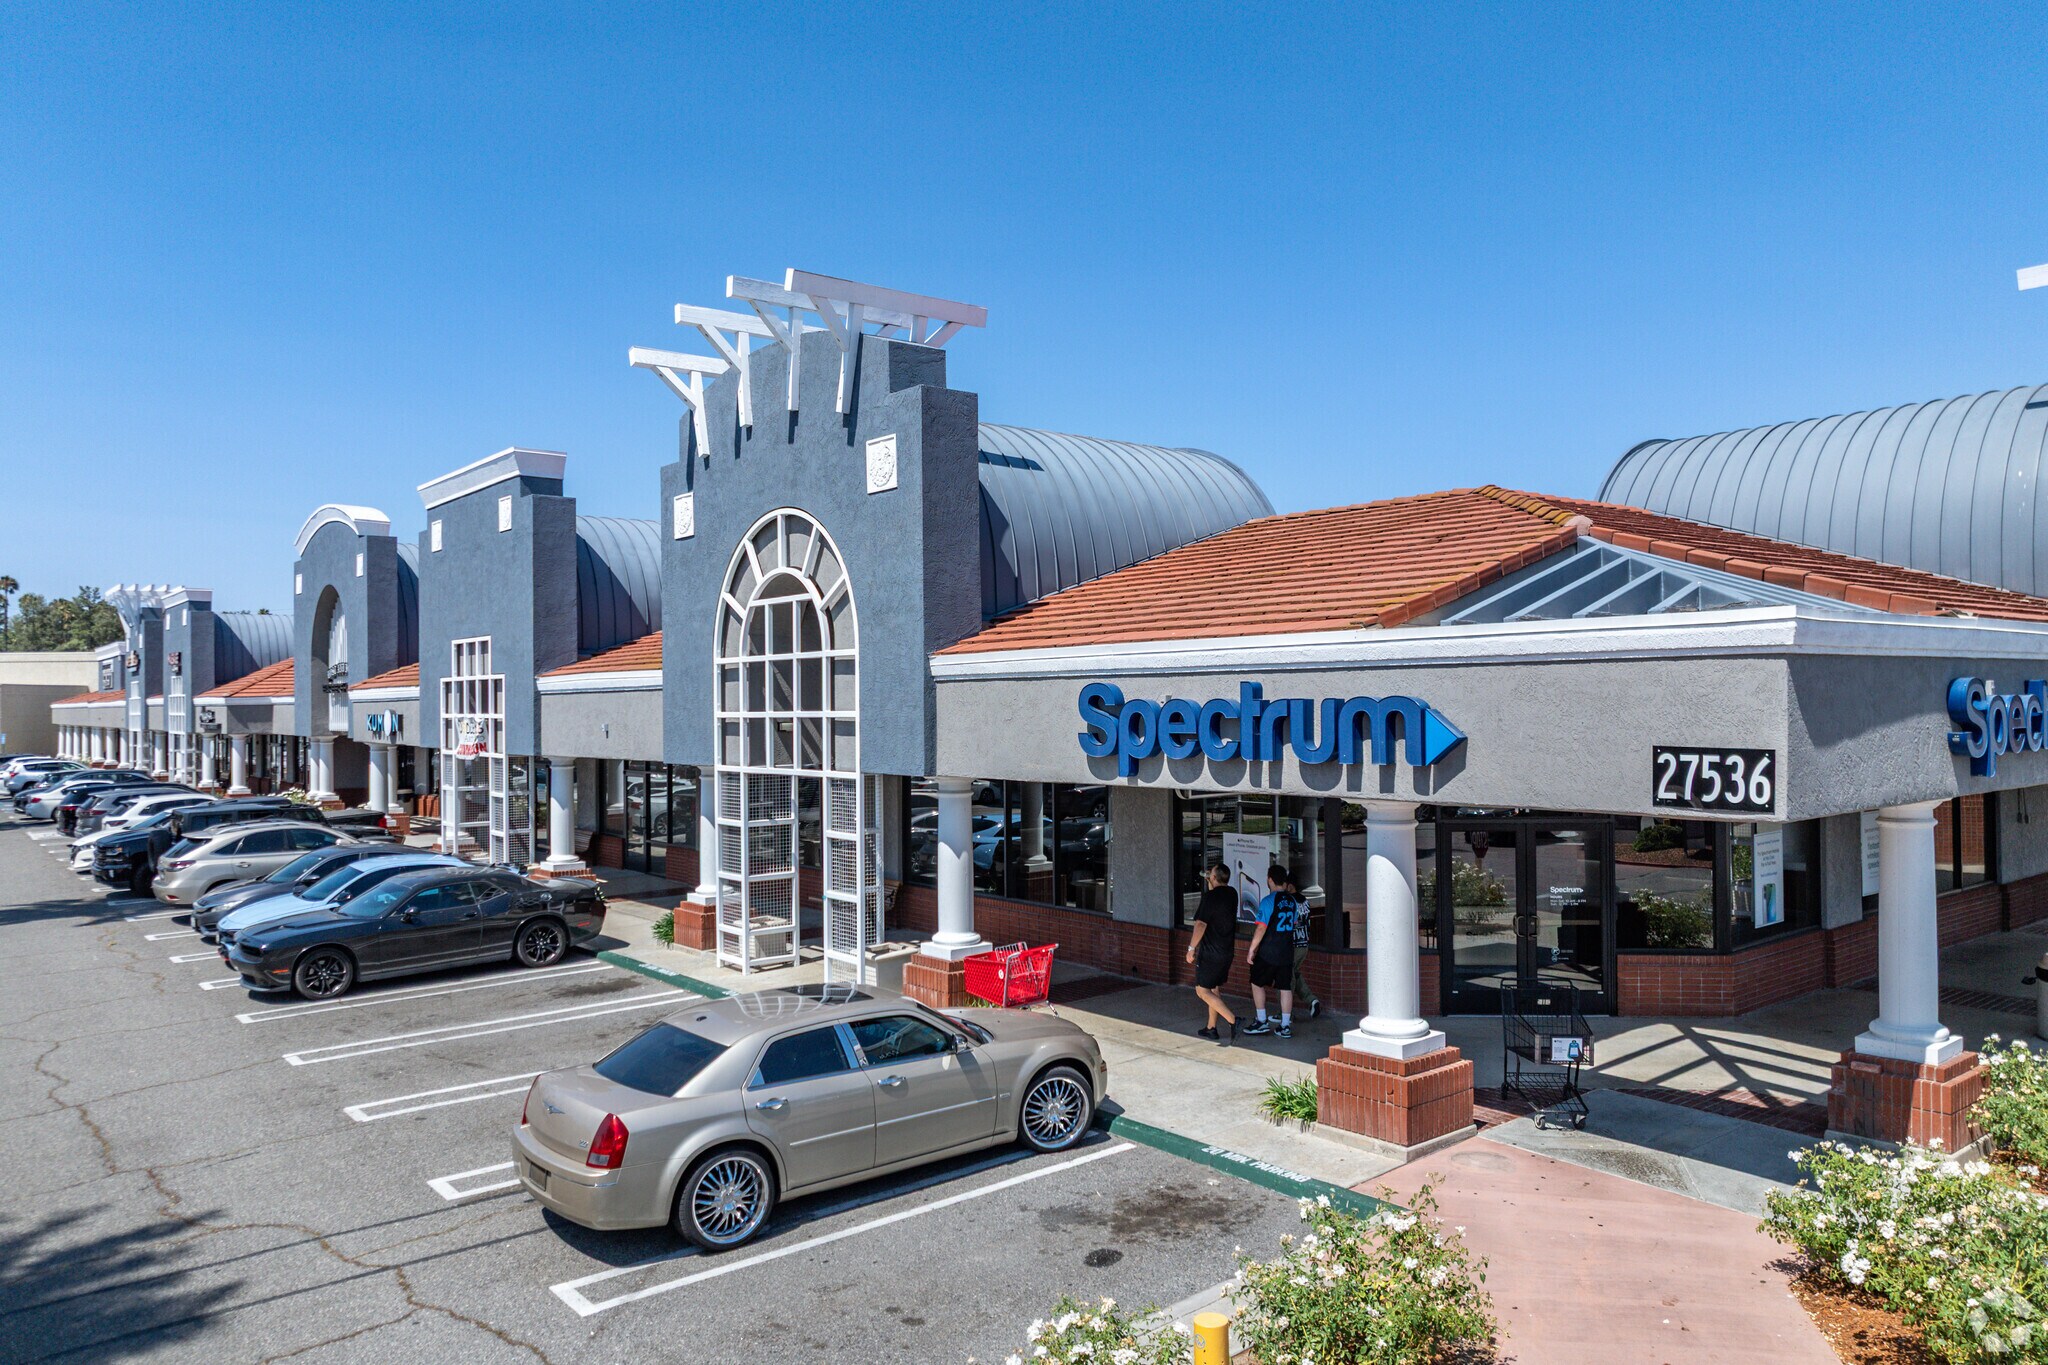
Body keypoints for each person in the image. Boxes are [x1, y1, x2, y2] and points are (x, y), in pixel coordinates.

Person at [1242, 864, 1302, 1038]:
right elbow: (1294, 923)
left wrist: (1252, 949)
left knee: (1256, 982)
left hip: (1268, 951)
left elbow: (1261, 927)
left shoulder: (1268, 901)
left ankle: (1261, 1020)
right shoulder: (1292, 901)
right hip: (1286, 951)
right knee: (1285, 987)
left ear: (1269, 880)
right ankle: (1285, 1025)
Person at [1185, 862, 1239, 1041]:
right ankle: (1211, 1028)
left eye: (1211, 875)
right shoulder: (1232, 894)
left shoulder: (1210, 897)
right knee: (1213, 988)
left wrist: (1191, 948)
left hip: (1210, 953)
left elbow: (1200, 924)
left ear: (1214, 877)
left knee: (1202, 991)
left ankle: (1234, 1020)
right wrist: (1212, 882)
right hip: (1226, 951)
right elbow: (1217, 897)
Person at [1285, 867, 1321, 1020]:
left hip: (1292, 944)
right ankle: (1311, 1000)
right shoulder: (1305, 901)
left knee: (1286, 977)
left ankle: (1286, 1013)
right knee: (1294, 973)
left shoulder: (1289, 902)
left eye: (1285, 884)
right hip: (1304, 943)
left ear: (1290, 885)